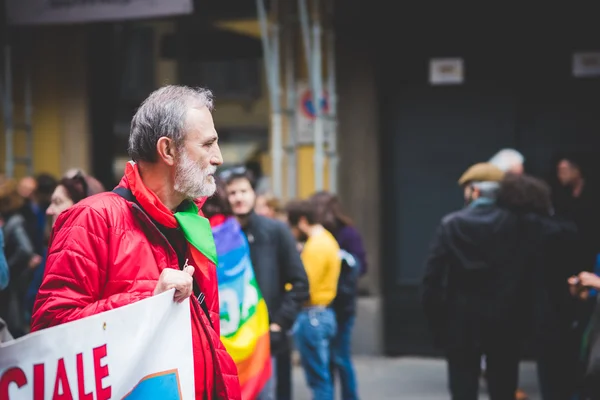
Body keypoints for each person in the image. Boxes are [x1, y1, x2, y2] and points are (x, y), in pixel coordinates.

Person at [31, 85, 241, 399]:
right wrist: (149, 298)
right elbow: (51, 332)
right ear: (168, 150)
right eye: (208, 144)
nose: (218, 158)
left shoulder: (192, 222)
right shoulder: (93, 218)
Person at [423, 162, 536, 400]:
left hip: (461, 321)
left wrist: (438, 325)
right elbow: (528, 274)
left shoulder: (451, 224)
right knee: (503, 389)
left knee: (463, 389)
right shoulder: (518, 224)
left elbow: (432, 279)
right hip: (505, 321)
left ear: (474, 191)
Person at [223, 167, 309, 400]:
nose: (238, 198)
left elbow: (300, 283)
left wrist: (279, 323)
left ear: (254, 194)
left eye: (243, 191)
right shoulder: (218, 233)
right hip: (228, 340)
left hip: (266, 337)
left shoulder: (276, 231)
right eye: (232, 193)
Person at [310, 191, 365, 400]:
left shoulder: (346, 234)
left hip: (341, 306)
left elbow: (361, 265)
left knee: (340, 357)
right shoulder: (320, 234)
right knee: (329, 360)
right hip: (328, 305)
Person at [286, 199, 341, 400]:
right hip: (323, 313)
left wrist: (285, 289)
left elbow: (305, 285)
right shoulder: (326, 239)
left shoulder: (316, 246)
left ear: (302, 221)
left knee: (318, 379)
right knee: (323, 376)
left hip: (312, 316)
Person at [0, 178, 42, 338]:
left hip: (12, 284)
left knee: (13, 327)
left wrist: (9, 267)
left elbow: (25, 249)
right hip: (13, 283)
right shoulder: (15, 219)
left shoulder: (14, 221)